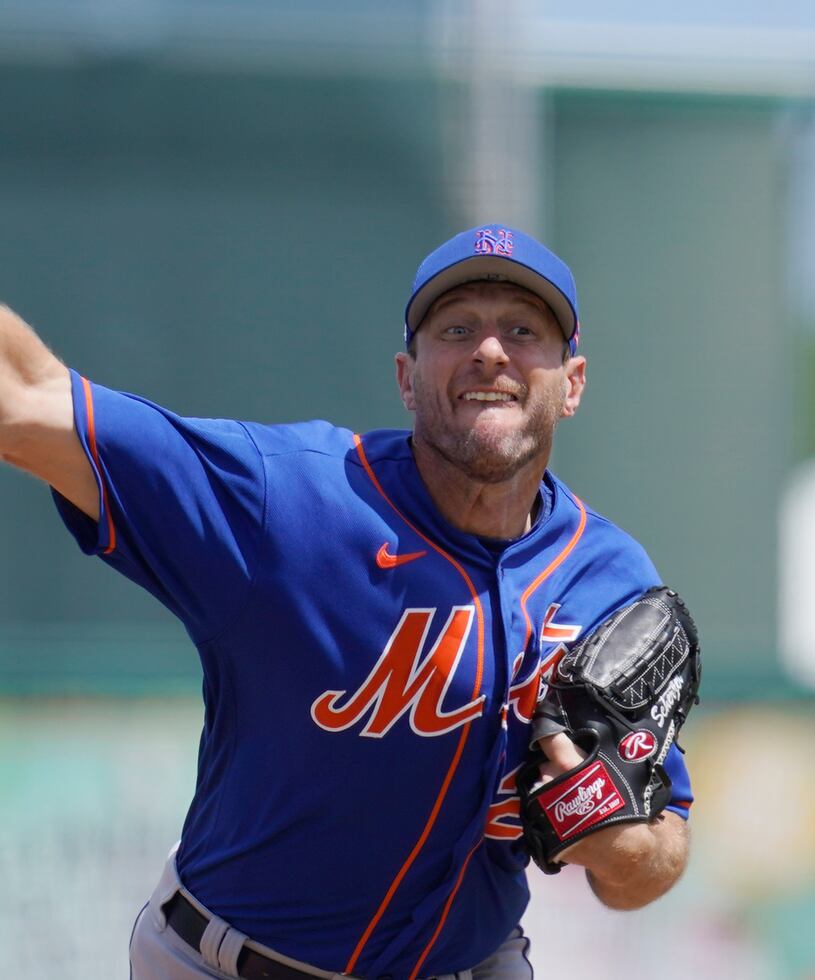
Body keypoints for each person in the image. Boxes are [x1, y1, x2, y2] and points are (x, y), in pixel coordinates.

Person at [0, 224, 693, 980]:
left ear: (574, 382)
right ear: (405, 377)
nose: (491, 351)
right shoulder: (290, 502)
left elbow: (655, 860)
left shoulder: (610, 579)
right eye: (456, 327)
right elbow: (26, 403)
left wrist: (620, 842)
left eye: (523, 331)